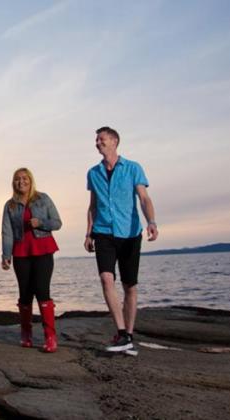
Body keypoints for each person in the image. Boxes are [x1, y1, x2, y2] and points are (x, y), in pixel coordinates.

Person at [84, 126, 158, 356]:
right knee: (106, 279)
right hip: (103, 232)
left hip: (130, 233)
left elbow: (144, 198)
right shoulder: (93, 173)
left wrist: (152, 222)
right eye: (96, 140)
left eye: (101, 139)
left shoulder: (133, 168)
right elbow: (93, 206)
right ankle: (121, 333)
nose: (97, 143)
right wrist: (88, 233)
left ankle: (129, 335)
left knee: (130, 286)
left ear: (114, 141)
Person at [1, 168, 62, 352]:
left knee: (42, 290)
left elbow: (57, 222)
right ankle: (26, 335)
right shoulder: (9, 206)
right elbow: (7, 232)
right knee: (25, 294)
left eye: (25, 178)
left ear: (30, 180)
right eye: (17, 179)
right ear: (14, 183)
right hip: (21, 252)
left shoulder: (43, 198)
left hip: (43, 248)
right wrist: (6, 256)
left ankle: (50, 337)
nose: (21, 182)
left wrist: (41, 222)